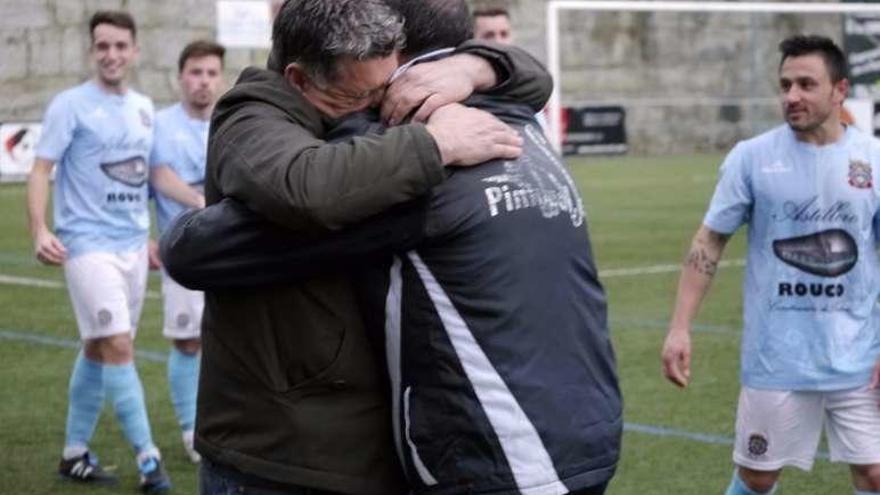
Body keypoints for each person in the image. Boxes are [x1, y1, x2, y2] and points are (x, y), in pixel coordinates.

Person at [162, 1, 620, 494]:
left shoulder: (429, 106)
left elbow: (534, 78)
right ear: (300, 79)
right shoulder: (256, 114)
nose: (382, 106)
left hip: (363, 448)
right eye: (363, 95)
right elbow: (279, 203)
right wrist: (434, 144)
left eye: (388, 86)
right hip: (276, 455)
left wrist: (473, 66)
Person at [661, 35, 880, 495]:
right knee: (758, 478)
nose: (791, 96)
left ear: (839, 90)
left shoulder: (873, 160)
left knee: (876, 473)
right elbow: (710, 240)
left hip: (860, 355)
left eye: (805, 84)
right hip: (776, 356)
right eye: (785, 85)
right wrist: (680, 327)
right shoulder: (752, 158)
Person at [26, 10, 171, 493]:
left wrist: (157, 233)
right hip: (87, 245)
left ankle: (73, 454)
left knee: (97, 344)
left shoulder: (145, 107)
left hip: (132, 247)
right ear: (92, 51)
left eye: (120, 46)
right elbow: (41, 168)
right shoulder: (70, 105)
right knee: (119, 344)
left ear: (134, 51)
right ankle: (150, 461)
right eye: (102, 46)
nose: (111, 55)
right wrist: (39, 228)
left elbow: (150, 178)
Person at [147, 39, 226, 464]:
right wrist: (199, 203)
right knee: (187, 342)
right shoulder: (159, 124)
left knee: (231, 338)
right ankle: (190, 428)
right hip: (181, 250)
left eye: (212, 73)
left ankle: (226, 420)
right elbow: (155, 175)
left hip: (228, 252)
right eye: (196, 72)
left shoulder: (230, 120)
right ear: (181, 76)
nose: (203, 81)